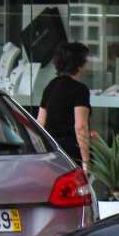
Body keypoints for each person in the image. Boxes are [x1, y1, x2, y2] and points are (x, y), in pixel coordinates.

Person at [37, 41, 92, 170]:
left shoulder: (50, 86)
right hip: (71, 153)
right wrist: (86, 162)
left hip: (53, 152)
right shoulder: (80, 89)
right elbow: (80, 127)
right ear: (79, 66)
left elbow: (40, 122)